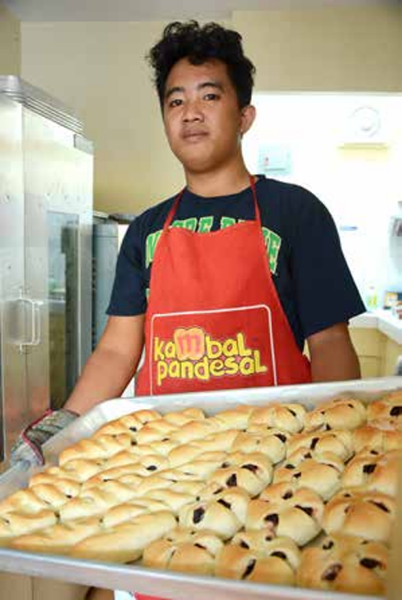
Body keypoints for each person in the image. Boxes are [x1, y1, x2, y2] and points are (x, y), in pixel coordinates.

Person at [11, 19, 365, 600]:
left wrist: (332, 457)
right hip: (168, 471)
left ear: (244, 115)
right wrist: (61, 428)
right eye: (176, 100)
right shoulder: (147, 231)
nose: (191, 112)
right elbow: (119, 348)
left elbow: (330, 344)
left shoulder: (296, 213)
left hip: (274, 465)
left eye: (209, 95)